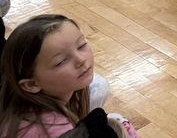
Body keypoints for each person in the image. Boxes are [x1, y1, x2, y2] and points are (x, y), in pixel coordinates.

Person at [0, 14, 138, 138]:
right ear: (31, 84)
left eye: (81, 45)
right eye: (61, 61)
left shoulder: (21, 105)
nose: (81, 60)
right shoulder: (57, 130)